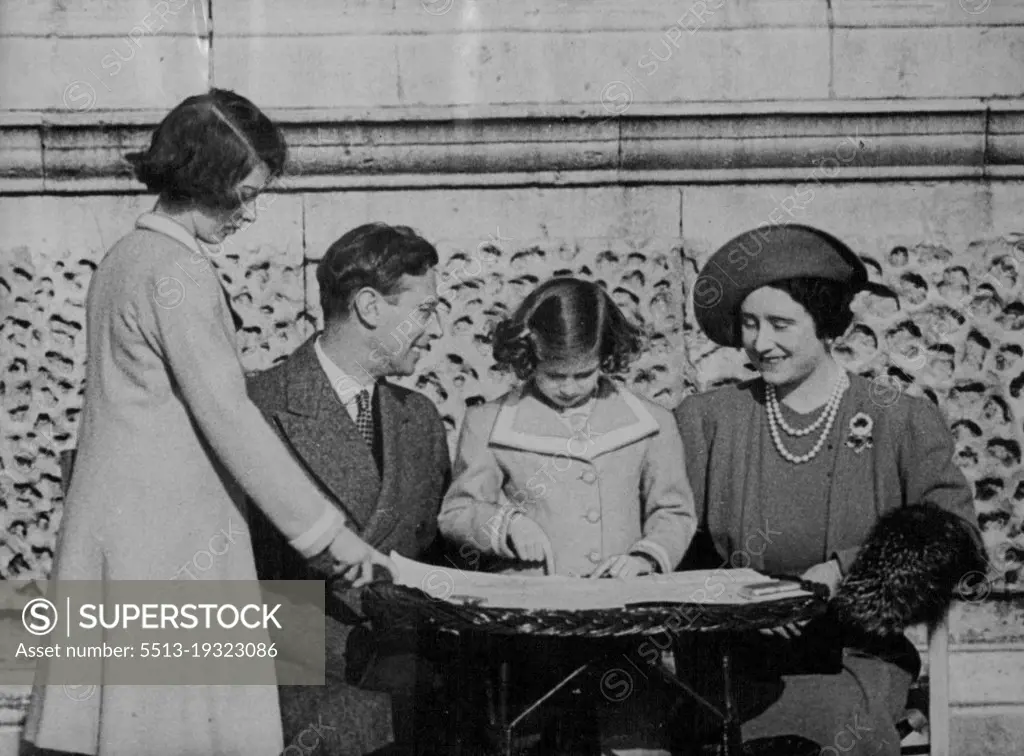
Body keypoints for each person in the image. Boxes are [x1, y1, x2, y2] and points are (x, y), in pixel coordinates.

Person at [22, 89, 393, 756]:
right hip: (171, 543)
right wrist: (329, 538)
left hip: (130, 536)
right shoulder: (178, 271)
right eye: (242, 194)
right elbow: (229, 414)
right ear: (201, 178)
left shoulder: (123, 259)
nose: (249, 214)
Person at [674, 224, 982, 756]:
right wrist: (739, 597)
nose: (760, 342)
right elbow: (671, 535)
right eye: (749, 324)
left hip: (853, 653)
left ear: (827, 326)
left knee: (838, 731)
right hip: (731, 655)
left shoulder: (902, 420)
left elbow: (955, 539)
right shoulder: (708, 419)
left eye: (781, 324)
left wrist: (847, 571)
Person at [438, 275, 696, 754]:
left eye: (585, 373)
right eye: (554, 375)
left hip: (625, 625)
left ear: (608, 356)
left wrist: (646, 557)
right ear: (527, 357)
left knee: (633, 741)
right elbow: (457, 511)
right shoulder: (489, 423)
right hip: (530, 632)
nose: (570, 388)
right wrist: (506, 525)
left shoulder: (652, 422)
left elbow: (674, 510)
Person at [246, 222, 451, 756]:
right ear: (369, 307)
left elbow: (440, 560)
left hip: (417, 687)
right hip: (290, 691)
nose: (434, 329)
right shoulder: (254, 410)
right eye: (425, 310)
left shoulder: (421, 420)